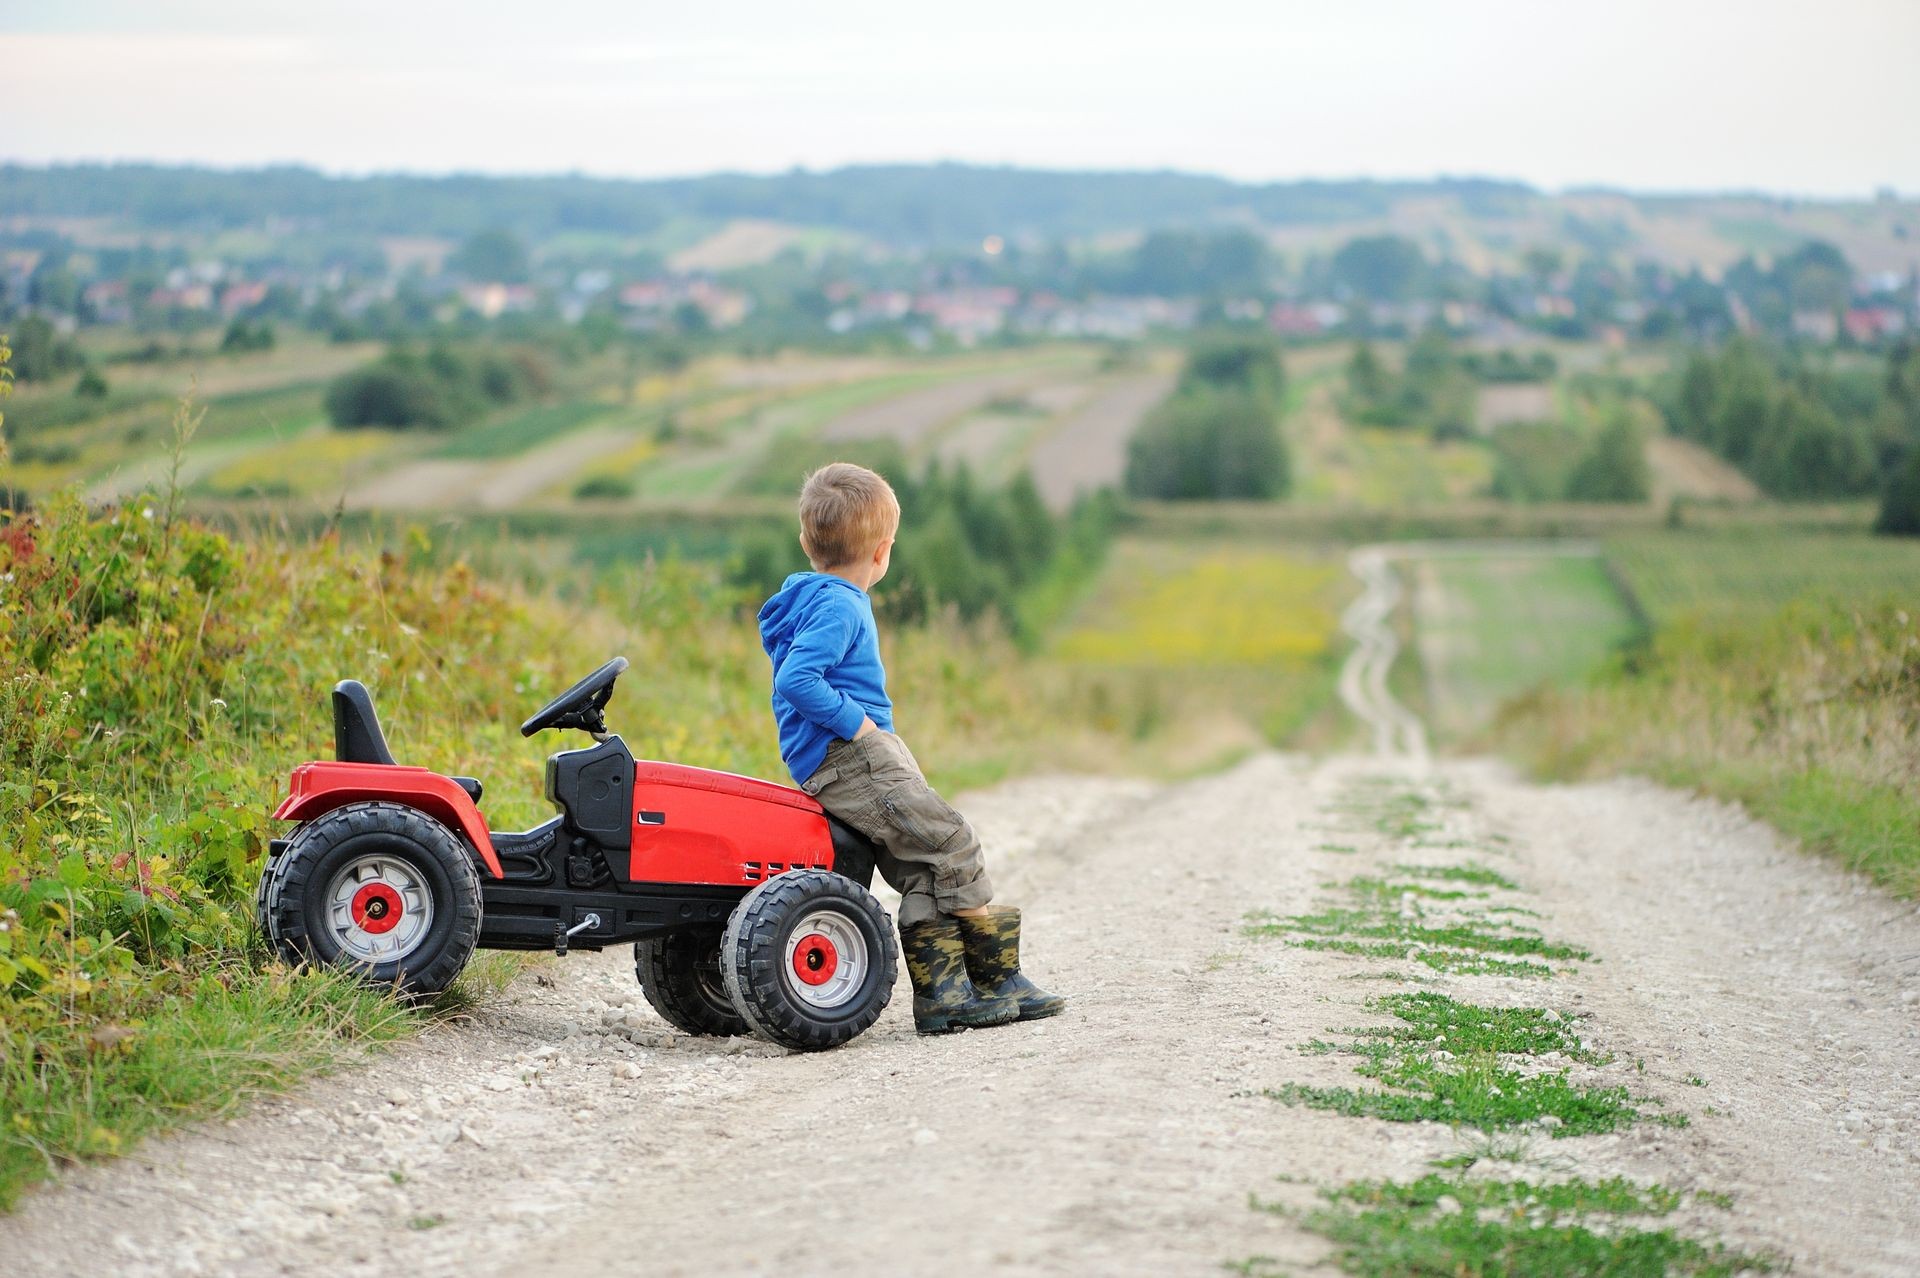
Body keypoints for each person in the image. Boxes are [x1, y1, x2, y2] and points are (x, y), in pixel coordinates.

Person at [757, 462, 1065, 1034]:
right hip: (852, 757)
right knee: (952, 841)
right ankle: (998, 976)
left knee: (924, 865)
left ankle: (946, 996)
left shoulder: (808, 601)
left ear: (806, 542)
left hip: (841, 760)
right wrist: (862, 728)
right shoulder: (841, 604)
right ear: (883, 552)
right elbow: (797, 680)